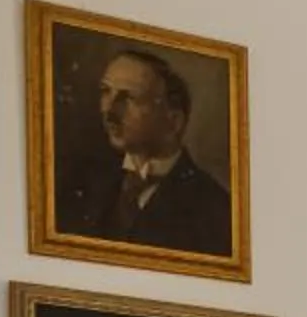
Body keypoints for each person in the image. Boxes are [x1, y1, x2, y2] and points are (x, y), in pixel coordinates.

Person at [56, 46, 234, 255]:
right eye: (106, 92)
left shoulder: (215, 209)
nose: (109, 110)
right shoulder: (79, 182)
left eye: (128, 98)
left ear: (173, 121)